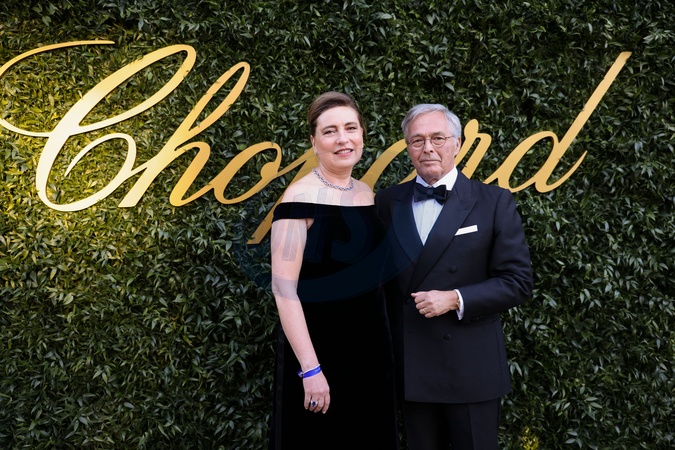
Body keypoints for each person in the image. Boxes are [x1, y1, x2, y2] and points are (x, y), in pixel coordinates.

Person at [374, 104, 533, 450]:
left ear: (457, 143)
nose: (427, 148)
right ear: (407, 148)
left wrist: (455, 298)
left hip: (470, 369)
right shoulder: (387, 201)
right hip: (412, 368)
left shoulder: (493, 201)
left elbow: (518, 281)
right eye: (417, 140)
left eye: (438, 138)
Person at [268, 92, 398, 449]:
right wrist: (310, 369)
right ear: (314, 142)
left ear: (362, 135)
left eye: (350, 128)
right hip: (320, 353)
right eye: (330, 131)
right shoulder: (297, 199)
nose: (343, 139)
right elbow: (283, 290)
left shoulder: (366, 194)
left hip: (372, 352)